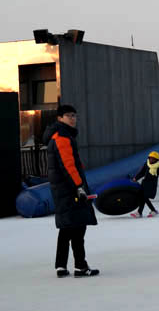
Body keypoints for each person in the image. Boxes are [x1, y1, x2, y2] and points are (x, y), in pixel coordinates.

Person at [45, 104, 99, 278]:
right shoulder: (62, 137)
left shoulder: (58, 136)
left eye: (74, 115)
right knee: (77, 227)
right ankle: (80, 267)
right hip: (70, 190)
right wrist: (79, 187)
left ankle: (61, 266)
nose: (73, 119)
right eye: (69, 116)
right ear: (59, 118)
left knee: (67, 227)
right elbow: (68, 166)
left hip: (62, 189)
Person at [130, 151, 159, 218]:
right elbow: (141, 173)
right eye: (150, 158)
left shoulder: (158, 166)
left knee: (144, 197)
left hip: (152, 184)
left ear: (156, 160)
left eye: (153, 159)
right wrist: (135, 178)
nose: (151, 160)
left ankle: (148, 211)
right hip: (144, 183)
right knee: (142, 197)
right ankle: (142, 212)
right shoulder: (146, 164)